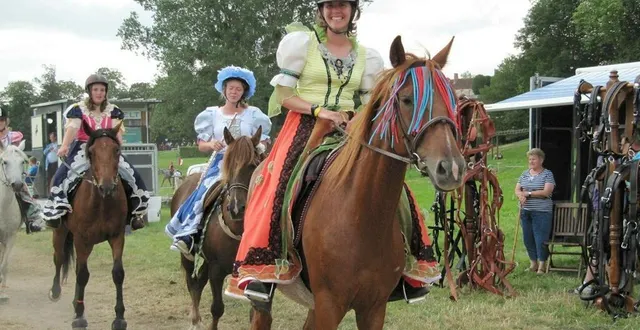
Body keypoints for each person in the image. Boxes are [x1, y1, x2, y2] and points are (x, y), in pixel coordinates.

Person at [231, 0, 440, 304]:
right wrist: (320, 111)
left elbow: (372, 101)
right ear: (322, 10)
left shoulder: (367, 56)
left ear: (353, 11)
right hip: (305, 124)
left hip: (352, 126)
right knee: (279, 181)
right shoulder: (302, 45)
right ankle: (267, 266)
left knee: (392, 180)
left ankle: (408, 266)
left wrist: (357, 117)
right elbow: (285, 95)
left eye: (342, 5)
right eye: (329, 5)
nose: (335, 11)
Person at [165, 66, 271, 260]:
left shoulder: (254, 114)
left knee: (271, 189)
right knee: (203, 190)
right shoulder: (212, 114)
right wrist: (210, 144)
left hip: (249, 162)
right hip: (223, 161)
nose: (234, 91)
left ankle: (275, 237)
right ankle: (189, 233)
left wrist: (261, 147)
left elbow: (263, 139)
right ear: (224, 90)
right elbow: (201, 145)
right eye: (230, 88)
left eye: (238, 89)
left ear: (244, 92)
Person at [42, 74, 150, 230]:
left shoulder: (114, 111)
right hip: (84, 147)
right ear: (89, 91)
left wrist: (117, 147)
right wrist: (65, 146)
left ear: (106, 92)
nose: (99, 93)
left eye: (102, 90)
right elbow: (73, 128)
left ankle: (135, 213)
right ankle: (57, 211)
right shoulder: (78, 110)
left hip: (107, 148)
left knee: (132, 174)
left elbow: (117, 133)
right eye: (96, 89)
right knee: (62, 175)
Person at [0, 105, 44, 233]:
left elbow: (16, 154)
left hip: (10, 171)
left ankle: (32, 218)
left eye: (2, 120)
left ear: (6, 121)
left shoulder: (13, 136)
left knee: (23, 191)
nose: (0, 122)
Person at [515, 148, 556, 274]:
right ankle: (533, 263)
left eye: (534, 159)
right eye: (530, 159)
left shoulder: (547, 174)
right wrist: (520, 195)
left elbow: (546, 192)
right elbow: (517, 189)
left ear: (541, 160)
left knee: (540, 238)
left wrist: (528, 193)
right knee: (528, 238)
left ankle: (542, 265)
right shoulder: (524, 174)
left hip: (542, 212)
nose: (531, 161)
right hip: (525, 211)